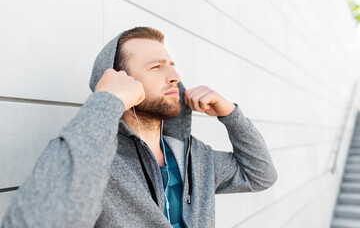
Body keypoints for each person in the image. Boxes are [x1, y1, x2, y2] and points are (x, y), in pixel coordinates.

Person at [1, 27, 278, 228]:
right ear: (122, 82)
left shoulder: (196, 157)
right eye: (156, 67)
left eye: (172, 65)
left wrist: (231, 114)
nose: (175, 77)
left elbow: (260, 175)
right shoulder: (88, 158)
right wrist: (107, 102)